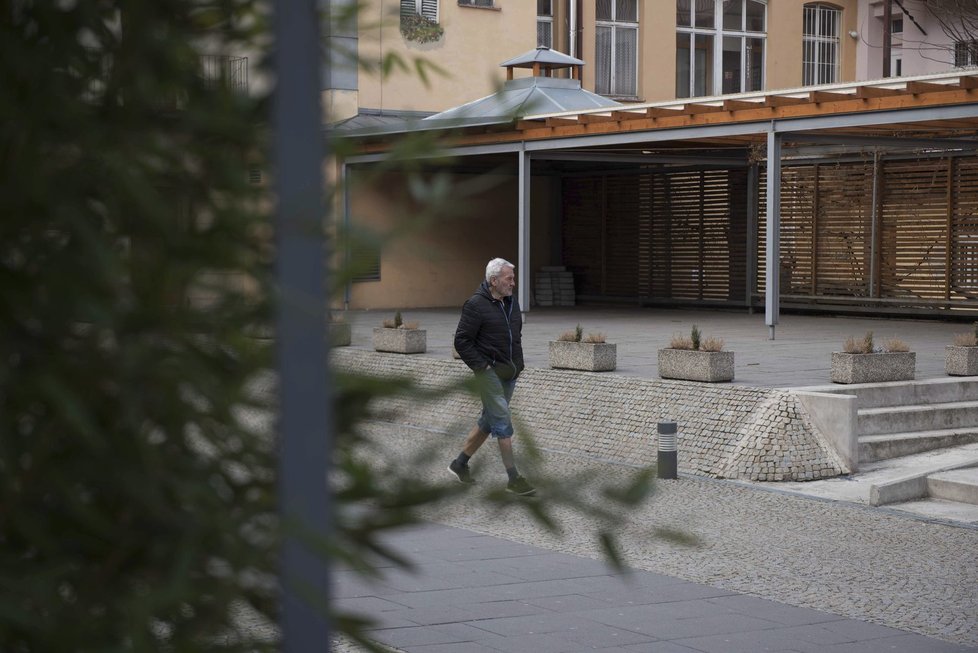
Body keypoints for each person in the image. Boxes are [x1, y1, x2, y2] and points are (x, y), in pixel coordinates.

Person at [449, 258, 535, 496]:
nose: (513, 283)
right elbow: (462, 341)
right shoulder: (475, 305)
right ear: (494, 281)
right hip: (489, 375)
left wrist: (519, 364)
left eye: (513, 278)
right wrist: (483, 368)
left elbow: (515, 336)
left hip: (510, 372)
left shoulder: (511, 303)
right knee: (502, 423)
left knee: (489, 420)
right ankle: (514, 479)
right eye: (509, 279)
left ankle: (459, 464)